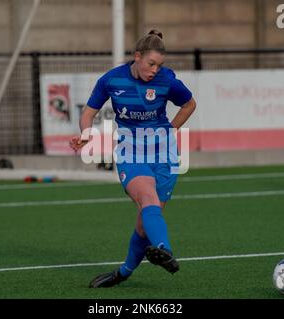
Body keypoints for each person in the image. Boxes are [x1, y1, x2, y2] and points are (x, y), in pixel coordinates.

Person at [70, 29, 196, 288]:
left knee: (144, 224)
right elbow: (89, 112)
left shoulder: (167, 80)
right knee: (147, 198)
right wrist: (86, 133)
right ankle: (165, 250)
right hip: (131, 151)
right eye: (151, 64)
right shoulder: (111, 80)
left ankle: (123, 273)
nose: (155, 70)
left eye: (159, 65)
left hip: (164, 155)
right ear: (137, 57)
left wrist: (171, 129)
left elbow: (189, 104)